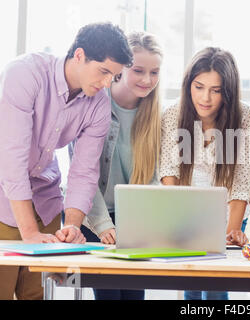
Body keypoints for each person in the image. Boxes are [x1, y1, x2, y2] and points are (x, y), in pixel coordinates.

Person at [0, 22, 132, 300]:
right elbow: (11, 160)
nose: (108, 83)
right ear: (80, 55)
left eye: (115, 76)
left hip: (45, 204)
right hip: (4, 200)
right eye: (104, 71)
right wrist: (30, 233)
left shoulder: (98, 104)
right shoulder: (24, 74)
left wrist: (72, 225)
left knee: (39, 294)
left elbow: (84, 172)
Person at [160, 47, 250, 300]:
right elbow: (169, 171)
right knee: (191, 285)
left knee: (215, 288)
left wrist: (232, 230)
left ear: (228, 92)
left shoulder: (244, 116)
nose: (205, 98)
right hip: (186, 211)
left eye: (216, 90)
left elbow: (241, 178)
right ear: (188, 85)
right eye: (199, 87)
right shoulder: (173, 113)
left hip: (229, 210)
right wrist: (176, 222)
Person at [73, 31, 163, 300]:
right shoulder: (92, 103)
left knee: (135, 296)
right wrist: (104, 226)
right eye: (139, 70)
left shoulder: (155, 115)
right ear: (121, 68)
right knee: (110, 295)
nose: (148, 80)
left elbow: (154, 180)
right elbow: (82, 176)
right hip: (93, 217)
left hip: (134, 221)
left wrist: (142, 225)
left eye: (155, 72)